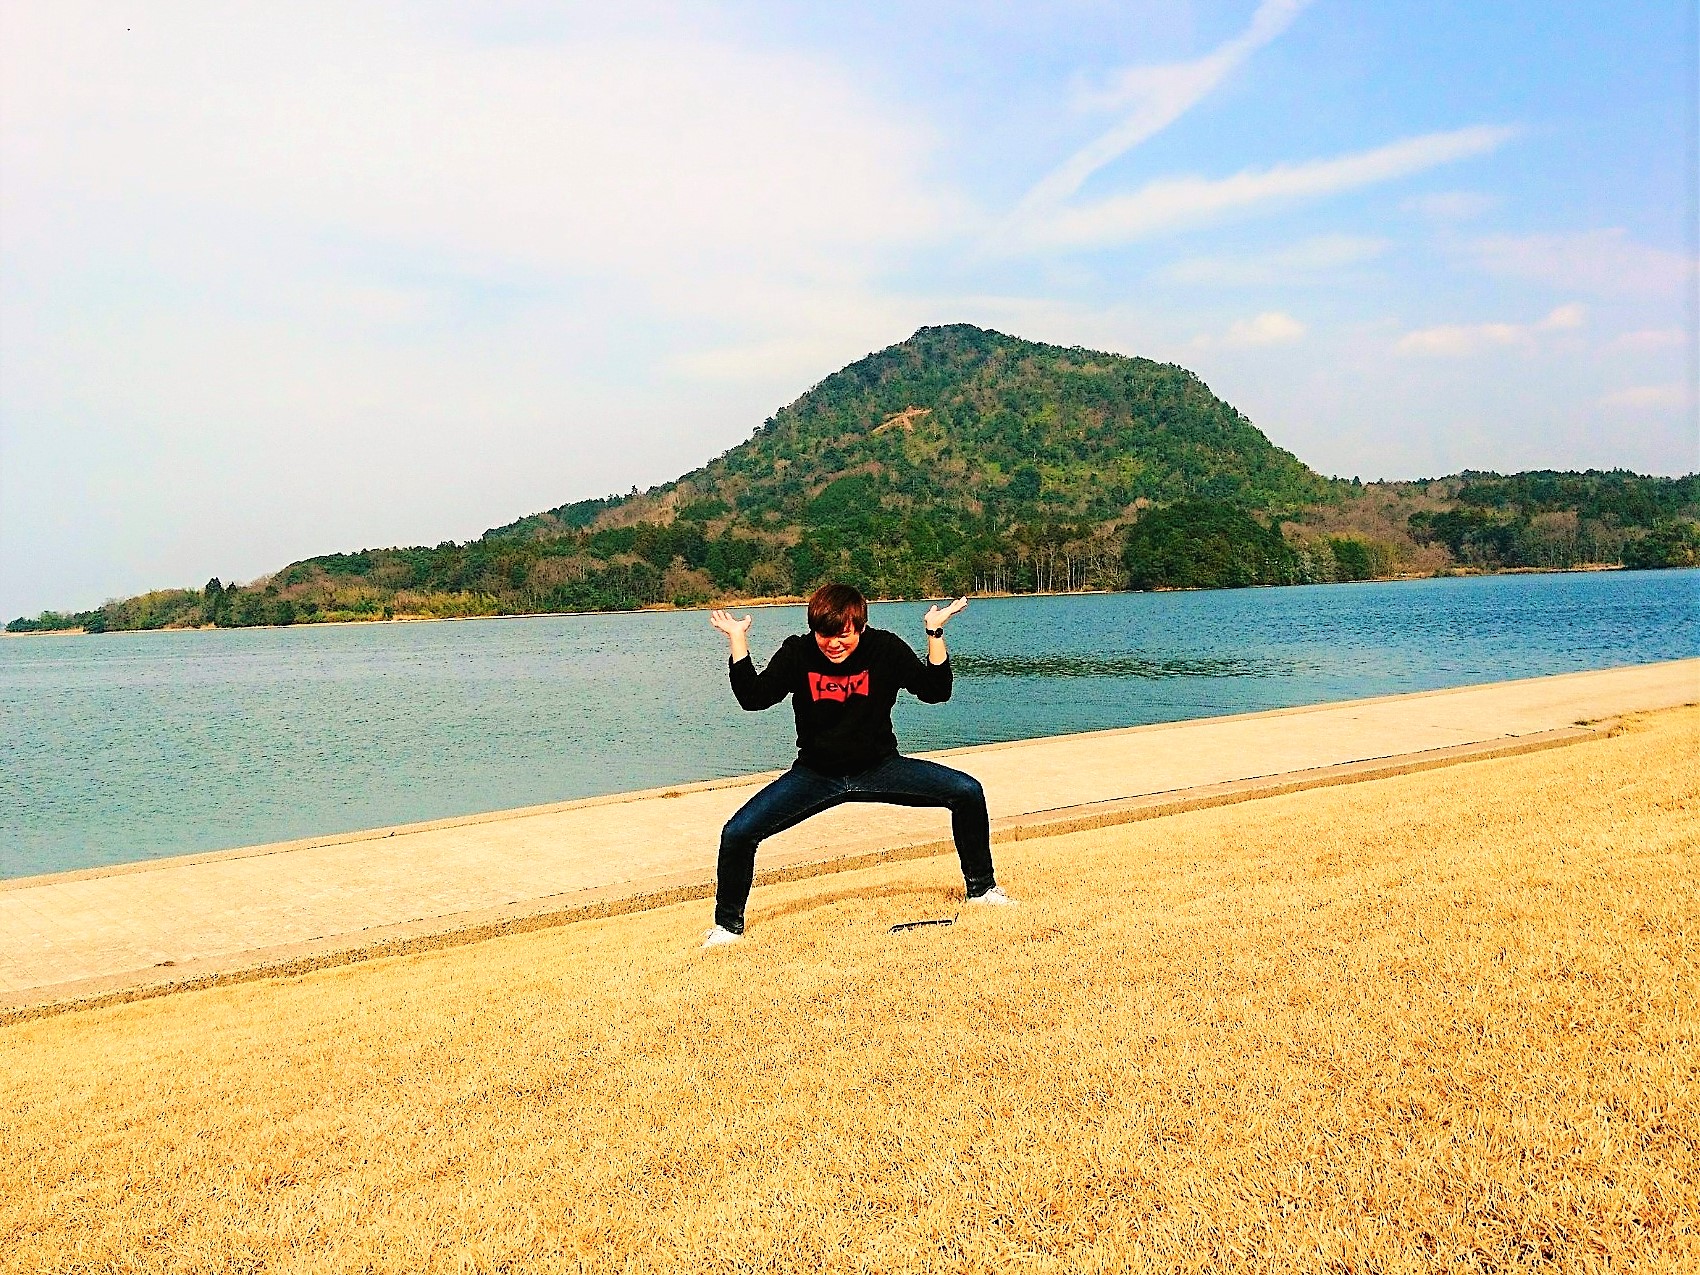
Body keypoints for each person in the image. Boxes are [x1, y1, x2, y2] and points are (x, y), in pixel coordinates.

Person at [703, 582, 1016, 948]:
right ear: (813, 630)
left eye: (843, 635)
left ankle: (982, 889)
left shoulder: (884, 649)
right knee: (738, 833)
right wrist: (737, 639)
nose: (833, 644)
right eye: (824, 635)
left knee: (967, 792)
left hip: (880, 767)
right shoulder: (797, 652)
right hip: (815, 774)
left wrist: (934, 632)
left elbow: (936, 691)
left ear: (861, 627)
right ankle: (727, 929)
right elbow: (753, 698)